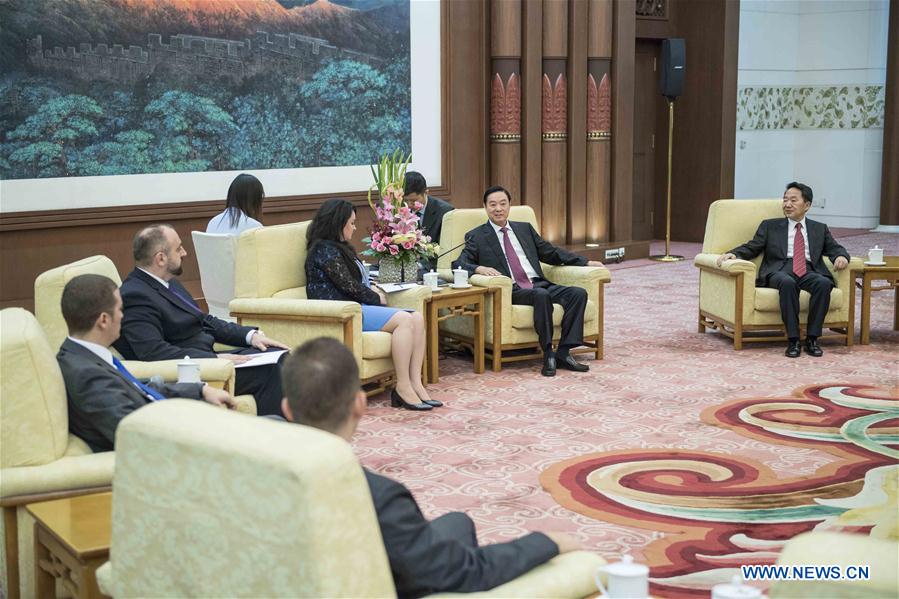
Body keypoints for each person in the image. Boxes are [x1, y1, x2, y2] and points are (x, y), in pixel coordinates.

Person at [280, 337, 580, 598]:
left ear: (286, 409)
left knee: (459, 523)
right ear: (360, 404)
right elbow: (463, 571)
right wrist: (546, 542)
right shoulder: (379, 496)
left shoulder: (256, 459)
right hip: (374, 584)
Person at [114, 224, 289, 416]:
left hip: (210, 358)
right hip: (196, 371)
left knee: (279, 354)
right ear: (161, 258)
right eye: (178, 248)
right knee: (272, 370)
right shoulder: (135, 296)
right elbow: (154, 352)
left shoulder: (167, 282)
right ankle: (274, 437)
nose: (184, 253)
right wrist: (213, 360)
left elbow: (204, 320)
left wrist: (250, 336)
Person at [57, 274, 235, 452]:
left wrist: (199, 390)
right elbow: (134, 434)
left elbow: (137, 390)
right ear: (104, 320)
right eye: (120, 309)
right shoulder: (85, 375)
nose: (123, 316)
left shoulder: (87, 356)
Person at [453, 186, 604, 377]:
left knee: (577, 294)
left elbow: (550, 252)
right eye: (492, 204)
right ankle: (548, 352)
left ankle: (564, 352)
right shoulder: (477, 235)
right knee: (541, 295)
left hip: (538, 282)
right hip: (514, 288)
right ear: (485, 207)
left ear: (509, 206)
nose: (498, 208)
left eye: (502, 203)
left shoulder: (524, 229)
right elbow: (459, 263)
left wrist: (586, 262)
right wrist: (479, 268)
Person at [304, 199, 438, 411]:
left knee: (418, 318)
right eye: (352, 223)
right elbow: (348, 286)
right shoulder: (323, 250)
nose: (355, 228)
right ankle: (402, 386)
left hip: (356, 307)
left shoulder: (339, 248)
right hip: (343, 312)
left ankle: (416, 383)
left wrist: (373, 288)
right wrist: (376, 297)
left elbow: (354, 281)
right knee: (404, 320)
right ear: (338, 224)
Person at [717, 182, 849, 358]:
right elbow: (753, 246)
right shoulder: (770, 226)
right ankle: (793, 340)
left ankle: (812, 339)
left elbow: (835, 248)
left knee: (824, 283)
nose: (787, 204)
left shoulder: (819, 228)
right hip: (779, 269)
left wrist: (841, 257)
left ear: (807, 205)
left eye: (793, 200)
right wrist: (734, 254)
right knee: (787, 283)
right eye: (785, 200)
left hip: (809, 269)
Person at [404, 171, 454, 271]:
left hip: (431, 270)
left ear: (426, 193)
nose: (409, 205)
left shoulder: (445, 212)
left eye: (414, 201)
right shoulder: (399, 209)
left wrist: (419, 266)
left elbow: (445, 250)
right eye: (405, 200)